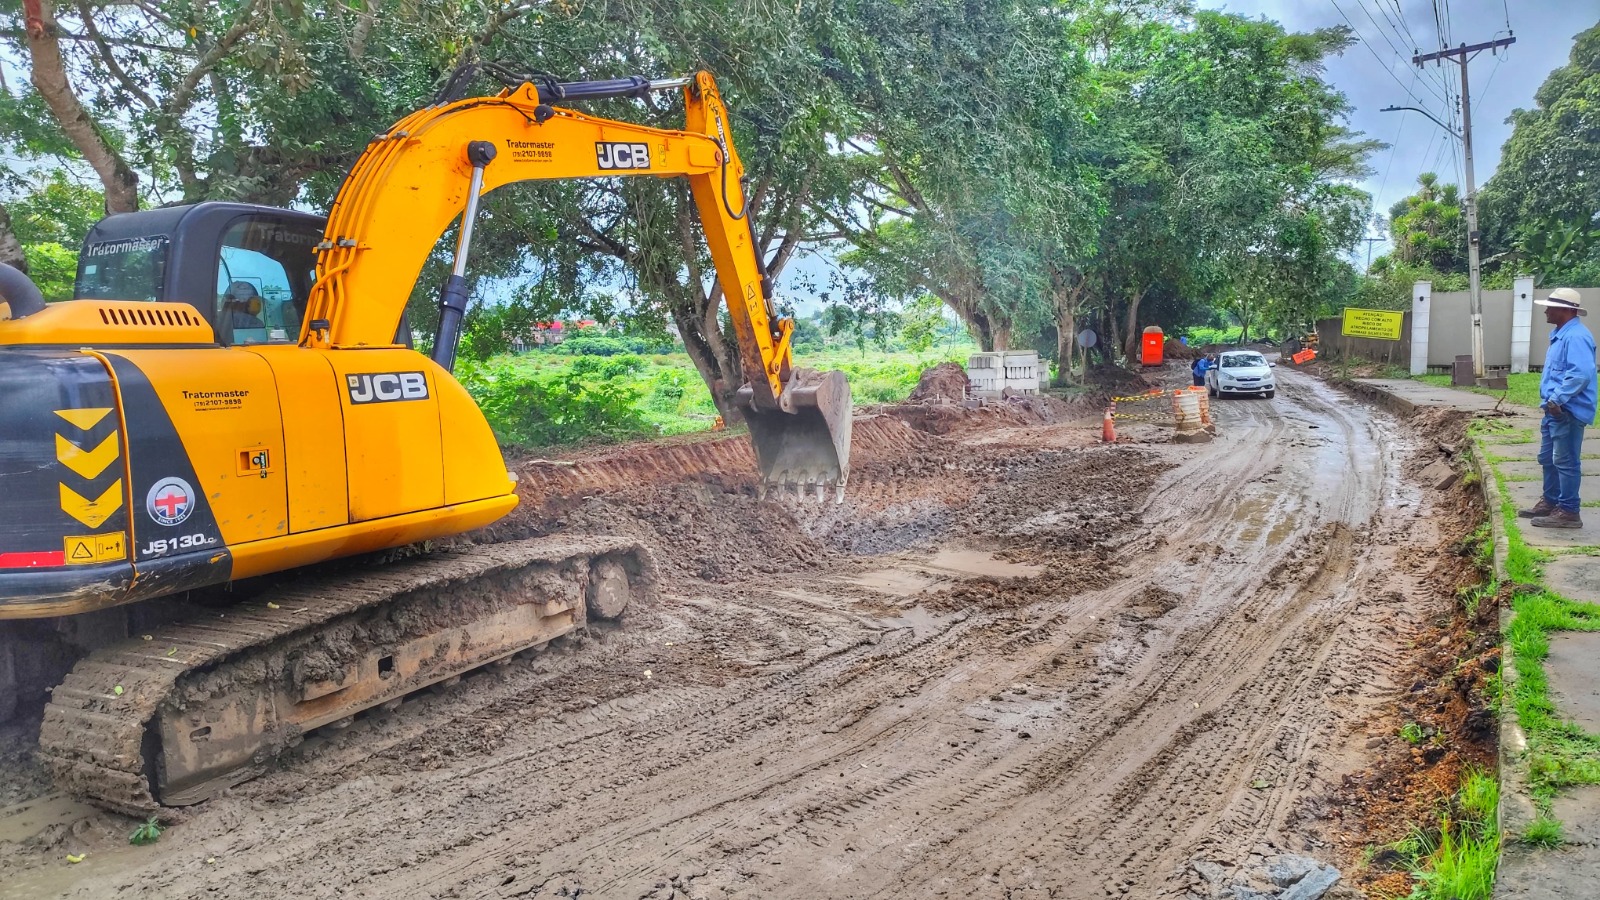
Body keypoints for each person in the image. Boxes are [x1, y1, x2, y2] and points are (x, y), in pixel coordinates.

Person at [1521, 288, 1597, 529]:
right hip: (1554, 409)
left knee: (1565, 460)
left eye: (1550, 307)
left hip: (1566, 410)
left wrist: (1557, 400)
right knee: (1548, 459)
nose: (1545, 311)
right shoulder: (1561, 334)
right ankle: (1551, 502)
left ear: (1565, 310)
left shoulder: (1575, 337)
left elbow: (1581, 374)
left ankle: (1568, 511)